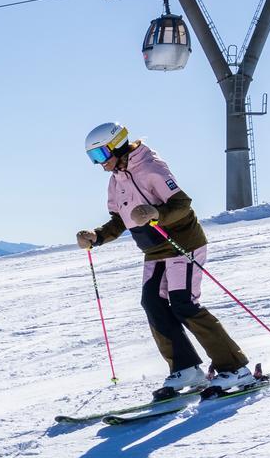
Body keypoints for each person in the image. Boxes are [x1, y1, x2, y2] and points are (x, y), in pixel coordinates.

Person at [75, 122, 257, 399]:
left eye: (100, 155)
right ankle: (186, 368)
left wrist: (155, 213)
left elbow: (182, 205)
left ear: (117, 144)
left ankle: (235, 369)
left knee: (184, 305)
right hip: (154, 250)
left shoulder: (151, 167)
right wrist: (96, 236)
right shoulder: (116, 181)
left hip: (182, 243)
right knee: (152, 302)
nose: (99, 164)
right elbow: (118, 220)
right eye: (93, 159)